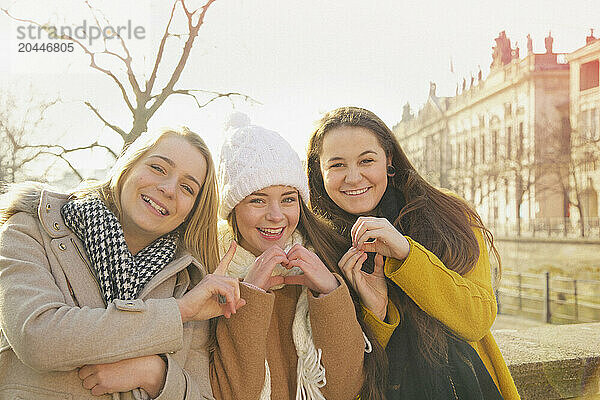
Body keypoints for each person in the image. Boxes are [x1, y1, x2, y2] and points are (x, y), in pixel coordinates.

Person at [0, 128, 244, 399]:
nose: (168, 189)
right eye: (158, 168)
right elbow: (37, 338)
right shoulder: (33, 230)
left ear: (193, 209)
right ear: (128, 166)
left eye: (187, 188)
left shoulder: (188, 282)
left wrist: (156, 375)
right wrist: (178, 312)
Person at [306, 107, 520, 399]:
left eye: (367, 160)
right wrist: (377, 312)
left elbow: (477, 319)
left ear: (389, 160)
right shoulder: (314, 246)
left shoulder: (449, 214)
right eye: (337, 165)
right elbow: (342, 381)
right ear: (319, 171)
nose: (354, 177)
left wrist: (407, 255)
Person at [208, 114, 386, 400]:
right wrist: (249, 295)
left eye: (289, 199)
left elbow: (345, 389)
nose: (276, 215)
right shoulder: (210, 274)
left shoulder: (321, 261)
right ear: (232, 209)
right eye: (257, 200)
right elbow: (231, 392)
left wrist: (329, 293)